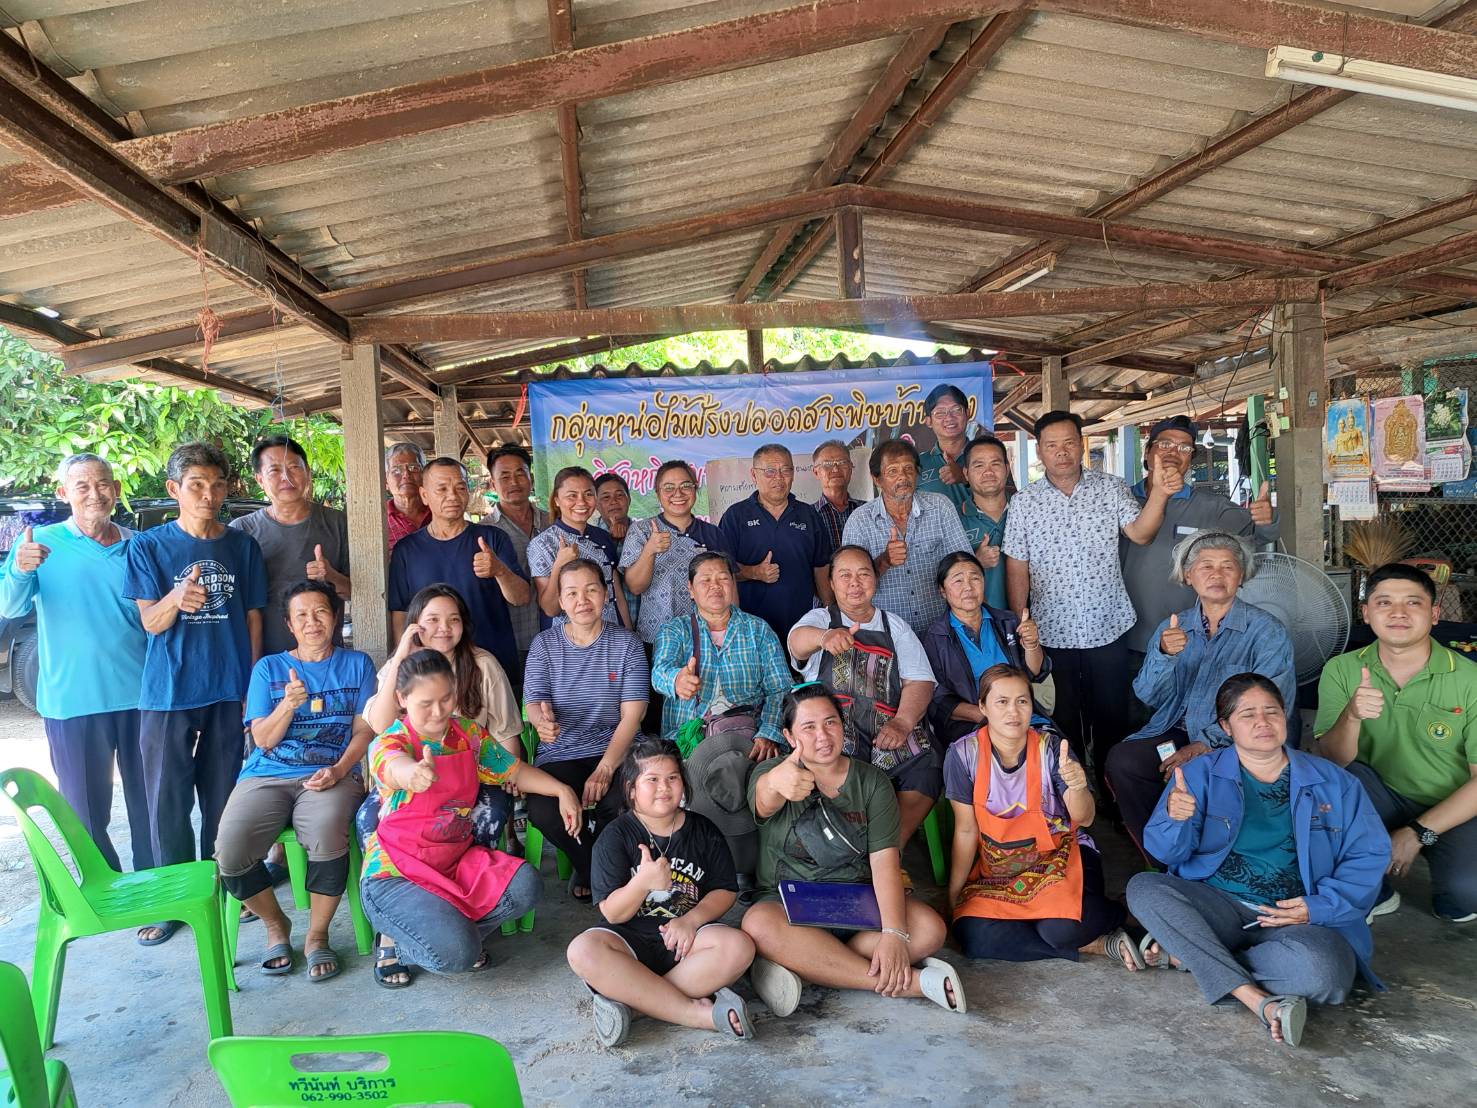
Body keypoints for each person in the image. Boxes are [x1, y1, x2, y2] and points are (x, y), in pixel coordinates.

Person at [1128, 674, 1390, 1048]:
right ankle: (1254, 998)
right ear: (1226, 726)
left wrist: (1316, 907)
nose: (1262, 722)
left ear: (1285, 716)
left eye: (1272, 711)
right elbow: (1168, 855)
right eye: (1247, 714)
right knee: (1144, 888)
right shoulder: (1200, 774)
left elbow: (1368, 855)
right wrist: (1174, 819)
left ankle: (1191, 953)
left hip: (1293, 918)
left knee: (1326, 976)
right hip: (1218, 905)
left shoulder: (1334, 782)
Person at [360, 650, 581, 988]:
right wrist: (411, 774)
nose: (438, 712)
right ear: (402, 699)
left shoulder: (469, 734)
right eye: (426, 703)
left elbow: (513, 771)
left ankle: (453, 933)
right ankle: (398, 941)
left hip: (454, 861)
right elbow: (392, 766)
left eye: (446, 699)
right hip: (397, 873)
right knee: (457, 955)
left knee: (526, 885)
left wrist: (561, 790)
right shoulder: (391, 741)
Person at [740, 686, 965, 1018]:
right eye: (809, 727)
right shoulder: (771, 773)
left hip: (857, 903)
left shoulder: (871, 782)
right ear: (789, 736)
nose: (822, 736)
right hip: (789, 904)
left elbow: (885, 862)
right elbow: (764, 799)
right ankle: (912, 983)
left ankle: (812, 964)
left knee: (930, 929)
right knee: (758, 924)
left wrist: (892, 934)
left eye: (830, 722)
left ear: (842, 725)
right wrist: (776, 782)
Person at [123, 441, 266, 946]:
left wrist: (252, 686)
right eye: (196, 485)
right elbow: (150, 622)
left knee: (223, 795)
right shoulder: (148, 547)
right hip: (168, 692)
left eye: (217, 485)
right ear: (174, 489)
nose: (209, 495)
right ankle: (172, 899)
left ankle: (226, 888)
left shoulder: (242, 546)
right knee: (166, 798)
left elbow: (253, 618)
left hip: (228, 689)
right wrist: (176, 597)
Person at [1002, 410, 1174, 795]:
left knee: (1112, 717)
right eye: (1052, 445)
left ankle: (1114, 795)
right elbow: (1017, 565)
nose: (1061, 452)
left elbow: (1141, 533)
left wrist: (1160, 493)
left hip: (1107, 627)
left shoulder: (1110, 488)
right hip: (1052, 632)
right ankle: (1072, 796)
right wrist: (1020, 620)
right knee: (1063, 720)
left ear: (1081, 445)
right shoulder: (1025, 503)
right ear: (1040, 452)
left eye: (1069, 443)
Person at [214, 582, 377, 981]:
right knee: (230, 851)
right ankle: (276, 924)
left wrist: (340, 769)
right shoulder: (268, 669)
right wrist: (287, 705)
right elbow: (263, 739)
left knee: (326, 832)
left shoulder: (358, 664)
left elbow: (364, 731)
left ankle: (317, 936)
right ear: (289, 624)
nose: (311, 622)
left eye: (320, 612)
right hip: (267, 774)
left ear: (335, 617)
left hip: (331, 773)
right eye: (301, 615)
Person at [0, 453, 152, 874]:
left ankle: (156, 887)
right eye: (81, 486)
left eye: (102, 484)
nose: (94, 494)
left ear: (116, 490)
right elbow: (9, 607)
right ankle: (106, 890)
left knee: (150, 805)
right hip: (72, 702)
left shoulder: (139, 545)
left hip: (141, 695)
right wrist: (19, 569)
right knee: (85, 813)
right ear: (63, 493)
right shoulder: (38, 543)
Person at [1107, 532, 1296, 856]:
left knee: (1193, 774)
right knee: (1125, 761)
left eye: (1227, 566)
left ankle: (1209, 859)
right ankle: (1161, 858)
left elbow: (1272, 706)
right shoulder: (1174, 627)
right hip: (1175, 730)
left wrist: (1205, 744)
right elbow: (1147, 694)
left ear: (1241, 575)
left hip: (1238, 739)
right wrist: (1164, 655)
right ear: (1188, 576)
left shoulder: (1266, 631)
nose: (1217, 574)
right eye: (1206, 566)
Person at [1314, 562, 1477, 924]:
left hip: (1453, 802)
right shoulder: (1342, 669)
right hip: (1379, 795)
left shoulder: (1470, 679)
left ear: (1434, 614)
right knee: (1327, 788)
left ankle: (1444, 874)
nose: (1398, 613)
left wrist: (1416, 833)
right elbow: (1333, 761)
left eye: (1413, 603)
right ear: (1366, 613)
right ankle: (1375, 889)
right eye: (1384, 602)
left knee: (1466, 893)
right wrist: (1352, 715)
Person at [567, 738, 756, 1046]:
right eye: (652, 779)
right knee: (582, 951)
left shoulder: (703, 830)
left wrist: (690, 921)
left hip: (686, 945)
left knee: (739, 947)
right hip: (628, 943)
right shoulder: (615, 836)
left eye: (672, 778)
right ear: (631, 789)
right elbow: (613, 913)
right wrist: (642, 883)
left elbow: (724, 890)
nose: (664, 788)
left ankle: (635, 1005)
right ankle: (698, 1014)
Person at [946, 665, 1138, 967]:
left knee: (1062, 929)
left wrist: (1078, 786)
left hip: (1061, 858)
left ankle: (1121, 912)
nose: (1013, 711)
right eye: (1002, 702)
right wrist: (954, 894)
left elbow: (1085, 818)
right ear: (982, 706)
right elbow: (966, 830)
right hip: (1000, 872)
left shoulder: (1052, 750)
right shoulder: (963, 755)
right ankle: (1095, 944)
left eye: (1022, 701)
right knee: (973, 936)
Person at [787, 544, 939, 856]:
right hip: (836, 731)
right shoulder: (820, 618)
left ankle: (888, 850)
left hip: (888, 730)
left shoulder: (894, 626)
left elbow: (920, 682)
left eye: (863, 574)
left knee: (928, 762)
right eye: (845, 575)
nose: (855, 583)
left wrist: (903, 722)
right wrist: (824, 638)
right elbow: (796, 643)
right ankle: (846, 850)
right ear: (831, 583)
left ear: (874, 579)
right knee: (827, 761)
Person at [524, 559, 650, 901]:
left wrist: (606, 768)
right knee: (543, 810)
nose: (582, 600)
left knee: (620, 801)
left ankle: (595, 873)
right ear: (560, 601)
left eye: (591, 590)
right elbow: (534, 703)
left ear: (606, 594)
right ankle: (599, 872)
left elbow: (632, 716)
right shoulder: (544, 645)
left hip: (617, 748)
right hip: (562, 751)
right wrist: (541, 722)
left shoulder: (627, 645)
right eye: (572, 593)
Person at [1120, 415, 1277, 657]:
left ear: (1190, 460)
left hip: (1187, 639)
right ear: (1147, 452)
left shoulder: (1213, 508)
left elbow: (1255, 538)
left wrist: (1267, 519)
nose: (1174, 452)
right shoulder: (1120, 502)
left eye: (1185, 448)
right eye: (1165, 444)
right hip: (1124, 637)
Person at [388, 456, 529, 683]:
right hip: (431, 671)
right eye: (442, 489)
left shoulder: (493, 538)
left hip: (491, 667)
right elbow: (400, 615)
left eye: (460, 488)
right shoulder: (406, 550)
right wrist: (405, 661)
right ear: (424, 495)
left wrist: (500, 571)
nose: (452, 496)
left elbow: (522, 597)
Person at [650, 552, 791, 757]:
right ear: (691, 589)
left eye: (723, 578)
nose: (715, 586)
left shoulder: (758, 630)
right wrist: (676, 680)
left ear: (732, 584)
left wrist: (768, 732)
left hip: (749, 741)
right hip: (689, 743)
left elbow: (780, 688)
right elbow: (659, 672)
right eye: (705, 580)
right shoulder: (675, 630)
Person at [366, 584, 522, 757]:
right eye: (433, 619)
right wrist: (399, 659)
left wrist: (510, 773)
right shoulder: (398, 664)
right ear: (415, 624)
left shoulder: (483, 664)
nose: (444, 628)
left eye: (454, 619)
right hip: (410, 768)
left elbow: (505, 735)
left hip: (468, 767)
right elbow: (381, 725)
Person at [230, 435, 350, 656]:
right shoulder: (241, 531)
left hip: (324, 658)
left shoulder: (339, 523)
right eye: (274, 470)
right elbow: (233, 603)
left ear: (308, 472)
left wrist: (332, 576)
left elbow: (362, 592)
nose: (286, 477)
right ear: (259, 480)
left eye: (294, 467)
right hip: (264, 660)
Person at [842, 438, 971, 636]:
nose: (902, 477)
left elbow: (964, 564)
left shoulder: (940, 507)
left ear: (917, 473)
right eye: (892, 471)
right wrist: (884, 561)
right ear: (877, 479)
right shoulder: (859, 521)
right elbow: (849, 586)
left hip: (941, 631)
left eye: (908, 469)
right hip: (886, 635)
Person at [922, 552, 1049, 746]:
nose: (968, 587)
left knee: (1055, 752)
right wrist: (988, 716)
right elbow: (938, 699)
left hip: (1022, 716)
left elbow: (1035, 672)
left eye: (975, 578)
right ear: (943, 590)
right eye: (958, 581)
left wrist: (1032, 645)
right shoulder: (936, 637)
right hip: (972, 725)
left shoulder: (1007, 621)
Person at [718, 443, 832, 644]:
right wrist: (754, 572)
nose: (779, 478)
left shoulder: (809, 515)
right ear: (754, 475)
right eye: (770, 471)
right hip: (750, 629)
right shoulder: (735, 516)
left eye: (786, 470)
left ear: (793, 474)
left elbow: (821, 567)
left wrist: (831, 612)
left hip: (801, 627)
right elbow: (720, 570)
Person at [619, 460, 730, 646]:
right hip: (657, 638)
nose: (678, 493)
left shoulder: (713, 533)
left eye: (686, 486)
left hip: (708, 637)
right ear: (658, 493)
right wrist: (650, 550)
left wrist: (731, 630)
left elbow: (728, 586)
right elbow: (635, 587)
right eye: (669, 487)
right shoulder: (642, 530)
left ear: (695, 489)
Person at [527, 466, 630, 631]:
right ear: (557, 500)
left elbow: (616, 594)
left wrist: (628, 634)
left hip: (610, 634)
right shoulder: (543, 543)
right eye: (572, 496)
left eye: (588, 494)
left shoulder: (602, 536)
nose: (581, 502)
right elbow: (550, 609)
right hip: (570, 639)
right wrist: (559, 565)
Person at [480, 444, 550, 665]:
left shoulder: (552, 523)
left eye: (520, 473)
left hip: (556, 638)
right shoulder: (483, 532)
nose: (514, 482)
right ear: (493, 484)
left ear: (531, 478)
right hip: (509, 641)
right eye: (505, 476)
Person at [958, 434, 1011, 610]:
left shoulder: (1027, 511)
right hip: (979, 621)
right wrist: (976, 561)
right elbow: (942, 576)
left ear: (1007, 469)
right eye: (979, 465)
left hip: (1030, 619)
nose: (988, 472)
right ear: (966, 473)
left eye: (995, 464)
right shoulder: (953, 519)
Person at [594, 471, 642, 633]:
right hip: (606, 631)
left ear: (629, 499)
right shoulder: (589, 538)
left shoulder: (646, 533)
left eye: (619, 495)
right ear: (596, 503)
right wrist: (611, 542)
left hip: (646, 627)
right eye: (606, 497)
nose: (613, 501)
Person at [915, 384, 971, 510]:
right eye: (940, 413)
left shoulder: (989, 455)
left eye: (956, 410)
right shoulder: (918, 464)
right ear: (928, 421)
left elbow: (1007, 499)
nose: (949, 417)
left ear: (968, 413)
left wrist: (965, 479)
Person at [810, 439, 862, 549]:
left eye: (842, 462)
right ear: (816, 472)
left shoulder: (867, 510)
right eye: (827, 464)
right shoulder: (807, 516)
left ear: (851, 468)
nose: (835, 469)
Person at [383, 442, 431, 555]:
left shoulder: (439, 511)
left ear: (424, 475)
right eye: (396, 471)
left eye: (413, 468)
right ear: (386, 481)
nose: (406, 474)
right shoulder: (378, 518)